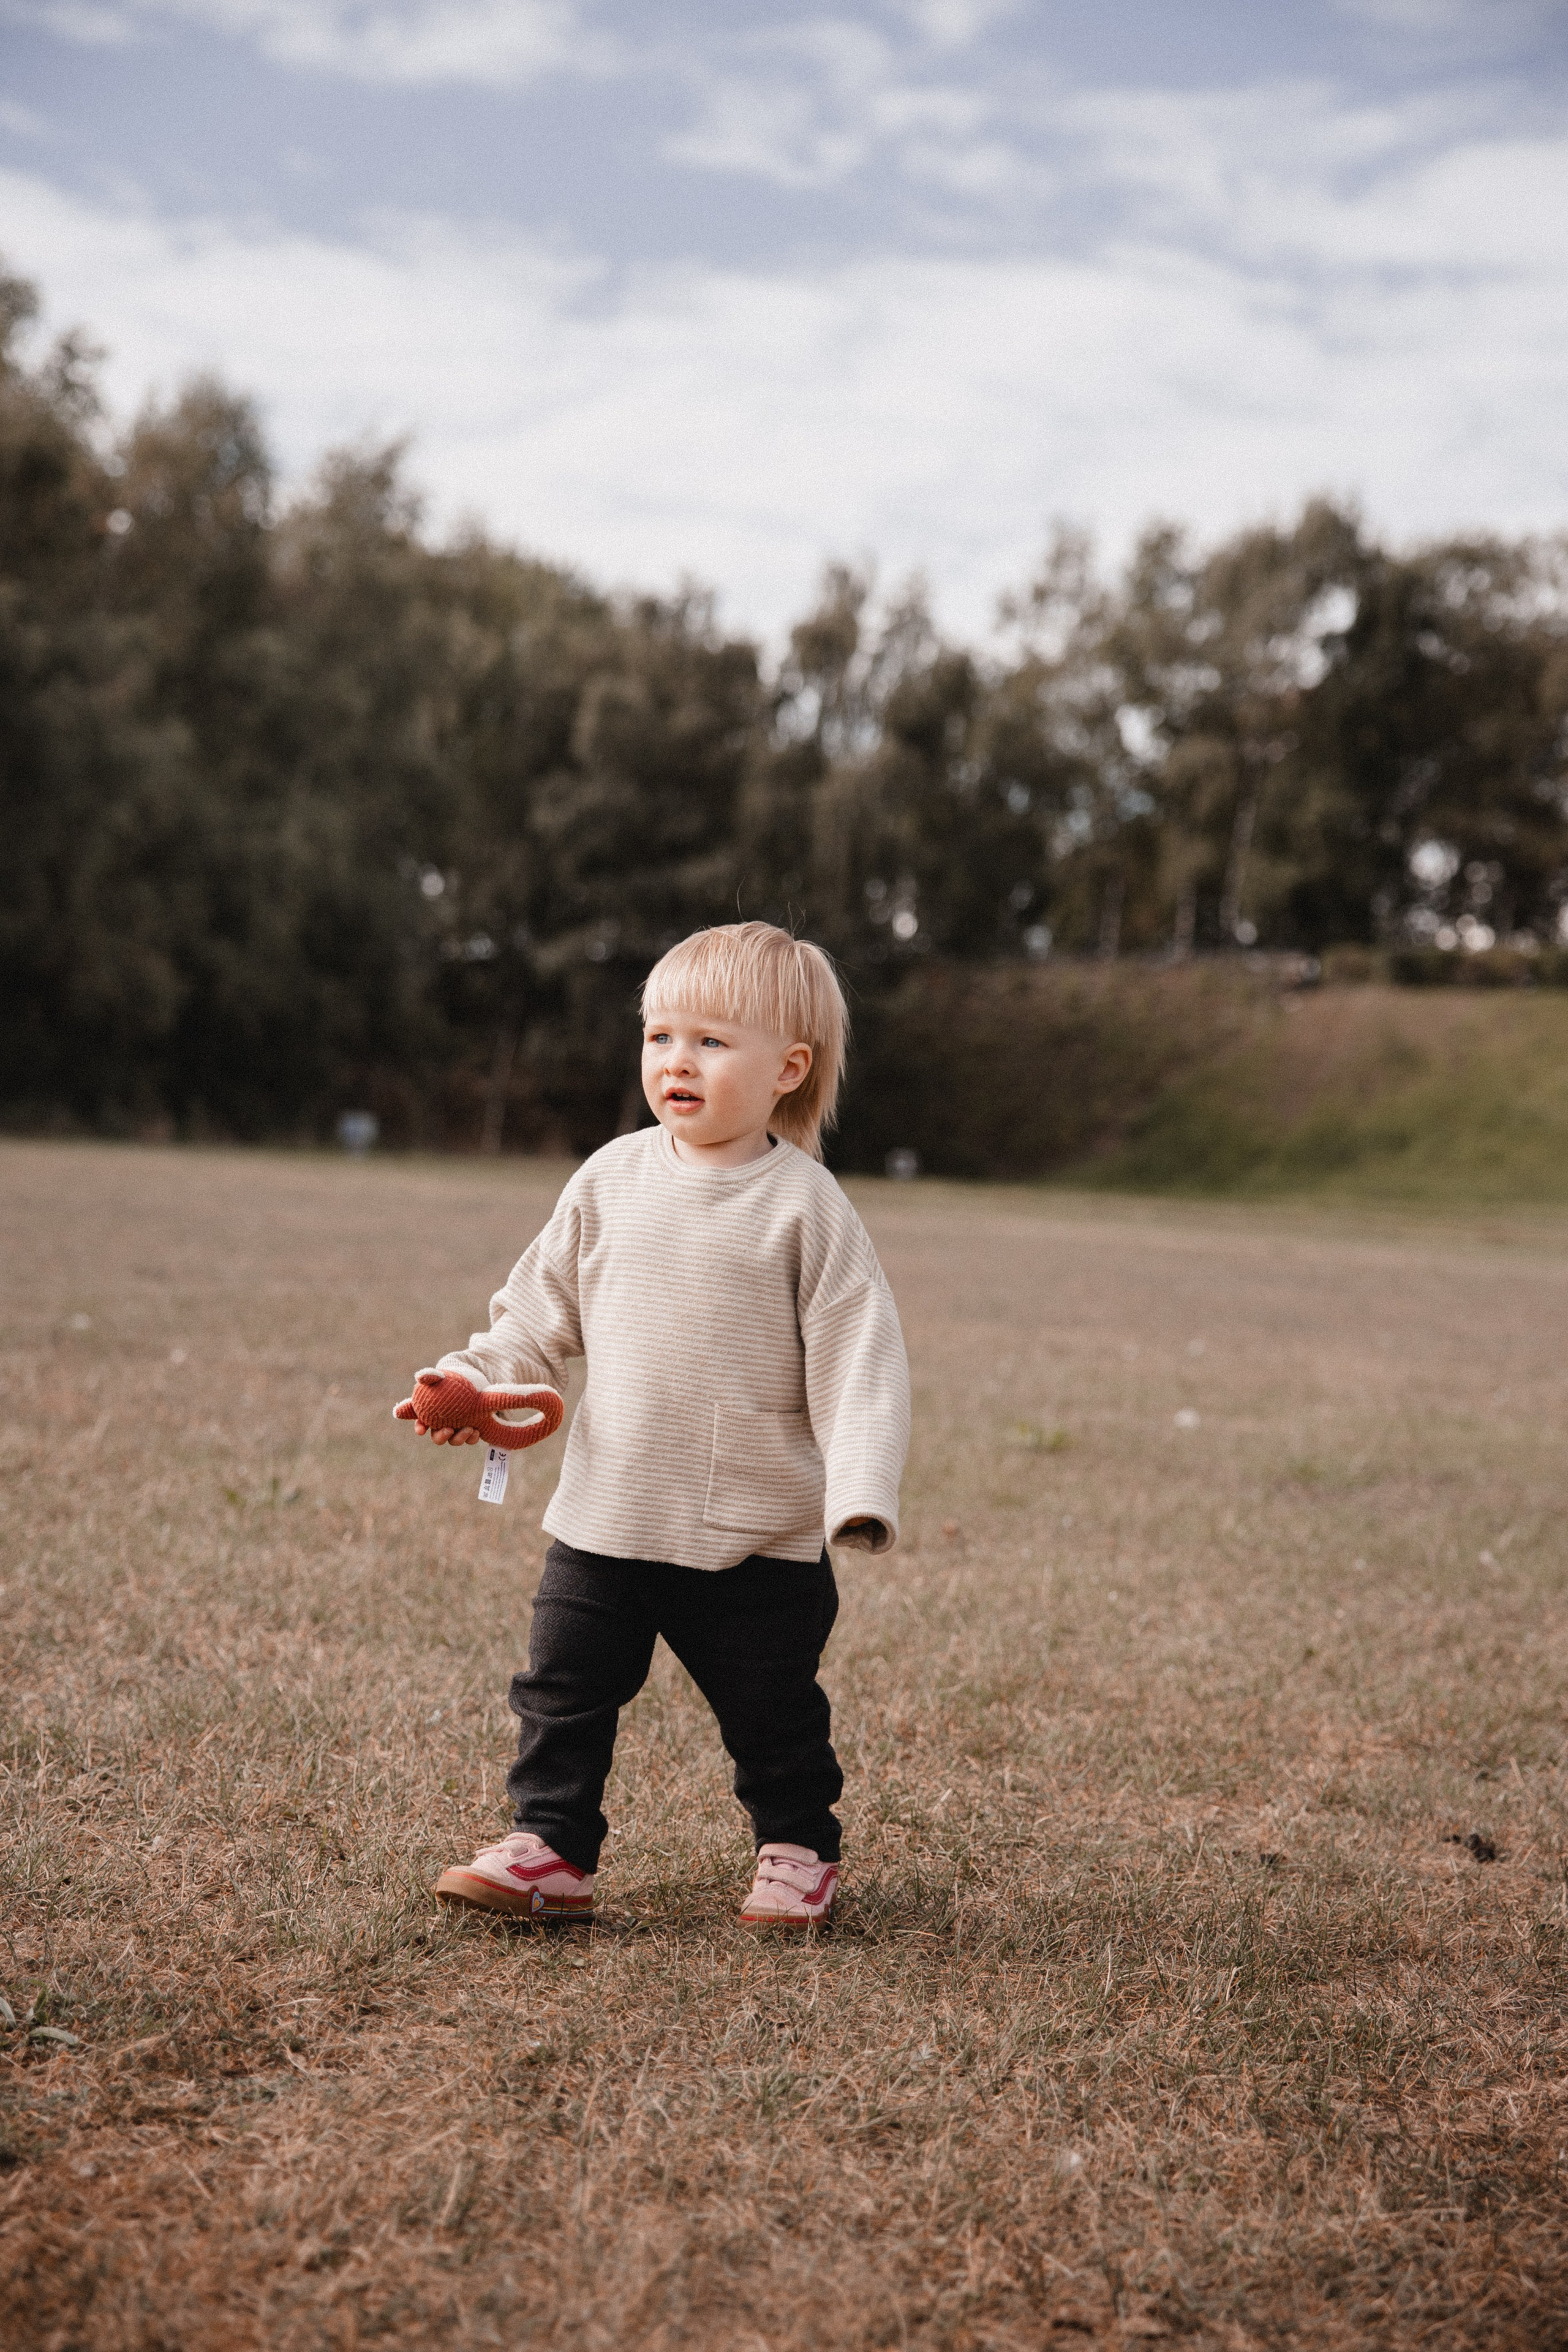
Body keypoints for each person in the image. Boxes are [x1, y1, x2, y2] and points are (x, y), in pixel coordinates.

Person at [405, 922, 910, 1929]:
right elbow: (536, 1318)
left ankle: (798, 1849)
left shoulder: (805, 1208)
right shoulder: (609, 1181)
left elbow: (863, 1360)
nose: (678, 1061)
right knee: (561, 1690)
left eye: (714, 1041)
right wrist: (468, 1376)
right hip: (608, 1515)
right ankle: (550, 1849)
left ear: (788, 1069)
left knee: (771, 1716)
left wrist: (858, 1497)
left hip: (755, 1538)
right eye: (660, 1037)